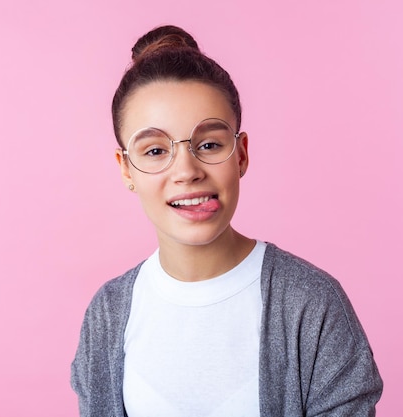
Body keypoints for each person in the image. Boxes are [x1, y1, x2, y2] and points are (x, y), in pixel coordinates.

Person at [71, 25, 383, 417]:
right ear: (126, 170)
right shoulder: (107, 314)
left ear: (241, 155)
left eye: (209, 145)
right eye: (154, 150)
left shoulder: (311, 304)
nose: (186, 171)